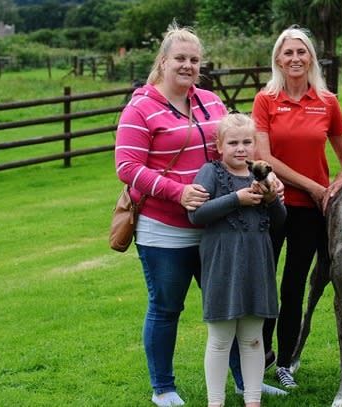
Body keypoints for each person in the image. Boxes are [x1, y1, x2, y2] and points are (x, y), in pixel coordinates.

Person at [115, 23, 283, 407]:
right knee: (166, 305)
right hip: (165, 229)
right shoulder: (140, 107)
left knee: (233, 309)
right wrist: (179, 192)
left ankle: (246, 383)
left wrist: (264, 178)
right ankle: (163, 387)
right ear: (163, 61)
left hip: (217, 227)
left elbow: (233, 154)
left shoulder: (210, 101)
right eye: (180, 58)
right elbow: (127, 166)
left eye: (194, 59)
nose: (188, 65)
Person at [252, 25, 342, 388]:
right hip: (273, 204)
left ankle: (285, 362)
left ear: (311, 57)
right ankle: (259, 356)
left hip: (312, 213)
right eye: (288, 53)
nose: (295, 58)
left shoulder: (327, 102)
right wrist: (315, 186)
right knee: (264, 283)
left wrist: (338, 184)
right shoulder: (265, 100)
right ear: (278, 60)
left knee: (294, 286)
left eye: (301, 52)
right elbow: (264, 158)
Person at [188, 113, 287, 407]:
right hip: (223, 263)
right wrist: (236, 199)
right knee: (220, 339)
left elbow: (281, 222)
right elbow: (196, 214)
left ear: (255, 145)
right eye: (233, 142)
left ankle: (253, 400)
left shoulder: (264, 176)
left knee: (253, 338)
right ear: (220, 145)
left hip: (257, 263)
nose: (240, 148)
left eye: (246, 142)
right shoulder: (211, 172)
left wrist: (271, 199)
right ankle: (215, 402)